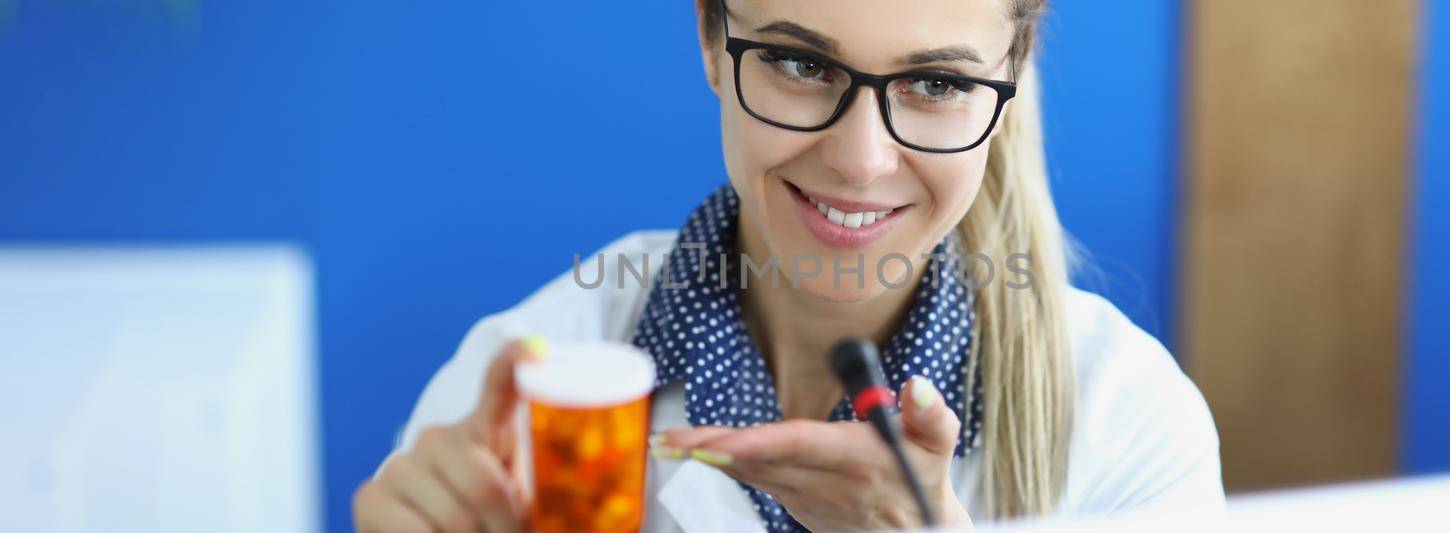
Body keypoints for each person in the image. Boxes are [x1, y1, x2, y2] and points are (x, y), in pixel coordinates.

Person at [353, 0, 1222, 531]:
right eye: (801, 64)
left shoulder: (1132, 426)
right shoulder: (531, 379)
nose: (860, 159)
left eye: (937, 84)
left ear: (1011, 74)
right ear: (709, 33)